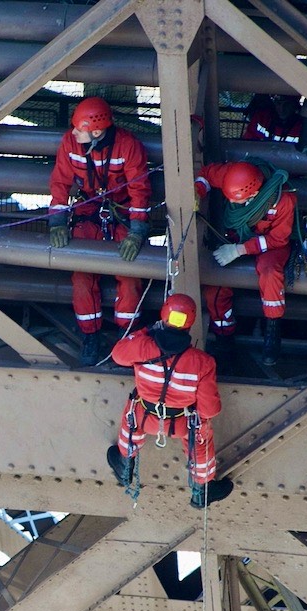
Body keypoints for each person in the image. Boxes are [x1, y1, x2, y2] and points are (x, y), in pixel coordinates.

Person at [48, 95, 153, 367]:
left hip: (122, 214)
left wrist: (137, 231)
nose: (72, 133)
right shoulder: (70, 143)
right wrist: (57, 221)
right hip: (88, 212)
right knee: (82, 275)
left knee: (130, 276)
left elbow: (140, 190)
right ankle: (90, 336)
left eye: (78, 128)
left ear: (96, 132)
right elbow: (60, 181)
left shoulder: (128, 146)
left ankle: (125, 336)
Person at [106, 293, 233, 508]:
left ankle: (124, 465)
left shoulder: (144, 346)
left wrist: (147, 330)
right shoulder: (203, 362)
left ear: (164, 316)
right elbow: (209, 409)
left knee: (132, 416)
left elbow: (118, 354)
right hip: (182, 422)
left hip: (145, 415)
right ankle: (203, 489)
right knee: (200, 435)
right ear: (190, 322)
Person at [195, 160, 299, 366]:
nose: (235, 205)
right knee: (214, 283)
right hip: (234, 238)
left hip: (270, 244)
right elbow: (206, 173)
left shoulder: (284, 199)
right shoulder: (230, 175)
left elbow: (278, 239)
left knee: (270, 273)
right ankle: (224, 338)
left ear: (252, 194)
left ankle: (272, 329)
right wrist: (197, 192)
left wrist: (239, 250)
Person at [241, 93, 307, 152]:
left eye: (287, 104)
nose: (282, 109)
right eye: (278, 103)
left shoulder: (305, 127)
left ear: (295, 104)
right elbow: (246, 144)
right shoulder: (262, 118)